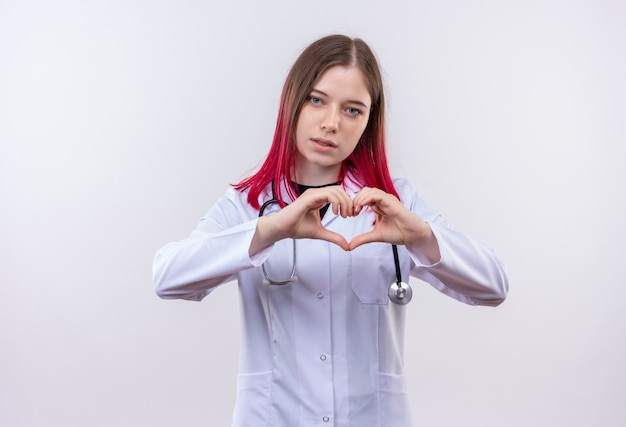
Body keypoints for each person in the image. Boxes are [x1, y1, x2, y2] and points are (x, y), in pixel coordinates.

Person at [153, 34, 509, 427]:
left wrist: (421, 237)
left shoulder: (394, 202)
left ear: (368, 122)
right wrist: (271, 229)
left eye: (353, 110)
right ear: (292, 101)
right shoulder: (248, 204)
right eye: (316, 100)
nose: (331, 123)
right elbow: (168, 278)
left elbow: (493, 287)